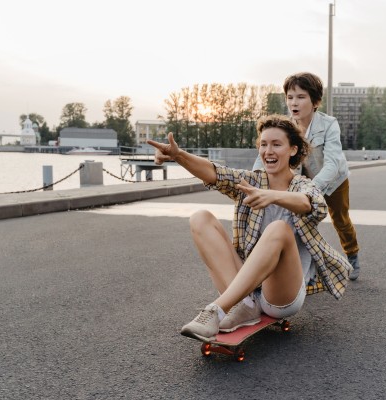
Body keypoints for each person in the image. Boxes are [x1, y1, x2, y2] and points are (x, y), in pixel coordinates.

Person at [147, 114, 352, 342]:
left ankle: (216, 310)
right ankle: (244, 305)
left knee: (279, 229)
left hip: (280, 296)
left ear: (292, 150)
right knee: (200, 218)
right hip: (249, 290)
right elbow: (216, 173)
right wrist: (178, 156)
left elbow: (312, 204)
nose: (268, 151)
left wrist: (272, 196)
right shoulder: (252, 182)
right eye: (263, 144)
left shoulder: (303, 185)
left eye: (276, 144)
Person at [253, 72, 360, 281]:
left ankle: (352, 254)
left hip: (334, 182)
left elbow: (333, 162)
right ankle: (306, 270)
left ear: (315, 101)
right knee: (301, 224)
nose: (294, 102)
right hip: (301, 184)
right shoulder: (285, 126)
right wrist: (254, 178)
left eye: (301, 97)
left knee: (341, 220)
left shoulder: (329, 124)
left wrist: (312, 190)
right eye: (290, 97)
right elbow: (265, 151)